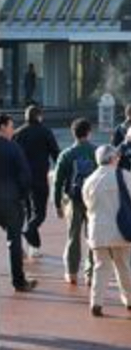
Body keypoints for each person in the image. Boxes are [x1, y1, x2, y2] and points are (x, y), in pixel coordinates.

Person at [83, 144, 131, 316]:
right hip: (122, 229)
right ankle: (130, 300)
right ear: (112, 158)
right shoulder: (125, 176)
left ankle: (96, 302)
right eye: (117, 157)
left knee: (100, 267)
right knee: (123, 265)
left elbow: (87, 205)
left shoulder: (90, 180)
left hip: (98, 229)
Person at [52, 117, 97, 286]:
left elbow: (57, 181)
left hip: (73, 199)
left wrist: (57, 204)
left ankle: (72, 272)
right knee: (92, 236)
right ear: (89, 132)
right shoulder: (96, 151)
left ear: (73, 133)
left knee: (73, 236)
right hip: (92, 200)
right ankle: (90, 273)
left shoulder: (67, 154)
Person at [13, 104, 60, 257]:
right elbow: (56, 154)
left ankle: (33, 247)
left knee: (28, 211)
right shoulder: (45, 132)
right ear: (39, 116)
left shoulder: (18, 133)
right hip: (39, 177)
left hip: (21, 178)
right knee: (40, 213)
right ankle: (29, 232)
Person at [0, 113, 37, 292]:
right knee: (14, 240)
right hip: (9, 199)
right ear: (3, 127)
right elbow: (25, 175)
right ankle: (19, 281)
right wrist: (23, 195)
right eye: (10, 126)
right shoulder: (13, 148)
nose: (13, 129)